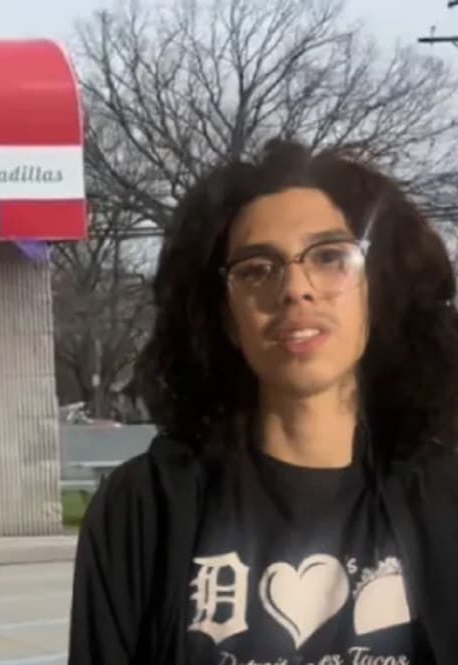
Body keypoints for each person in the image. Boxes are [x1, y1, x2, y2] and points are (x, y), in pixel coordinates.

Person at [68, 139, 458, 664]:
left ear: (377, 291)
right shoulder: (144, 507)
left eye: (330, 257)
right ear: (227, 317)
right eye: (256, 268)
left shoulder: (447, 496)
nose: (295, 288)